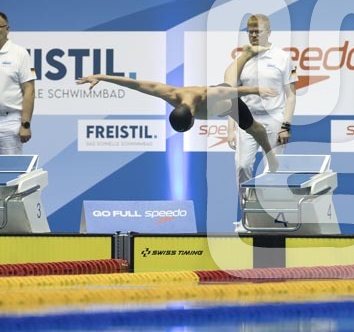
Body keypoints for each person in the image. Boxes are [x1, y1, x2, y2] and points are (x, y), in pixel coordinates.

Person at [77, 45, 280, 172]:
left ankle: (271, 158)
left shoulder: (206, 96)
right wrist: (102, 77)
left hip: (226, 103)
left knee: (254, 128)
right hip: (216, 100)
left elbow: (230, 91)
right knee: (228, 79)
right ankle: (246, 53)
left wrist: (257, 90)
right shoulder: (172, 95)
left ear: (192, 117)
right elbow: (136, 84)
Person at [226, 14, 297, 199]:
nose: (253, 35)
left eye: (257, 32)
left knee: (272, 169)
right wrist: (231, 129)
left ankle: (271, 211)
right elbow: (231, 95)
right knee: (242, 166)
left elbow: (291, 96)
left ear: (269, 32)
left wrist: (286, 125)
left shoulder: (283, 58)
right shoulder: (242, 59)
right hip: (247, 120)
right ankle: (247, 210)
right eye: (250, 32)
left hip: (274, 119)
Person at [0, 12, 35, 154]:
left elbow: (29, 90)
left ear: (7, 29)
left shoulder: (20, 53)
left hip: (9, 121)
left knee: (10, 166)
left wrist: (25, 124)